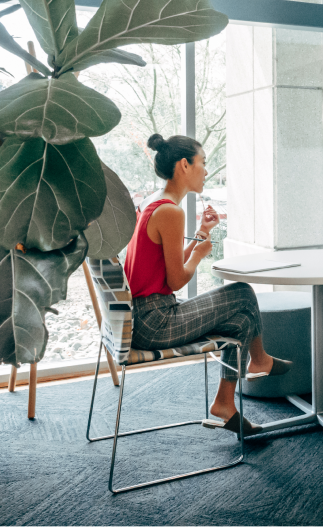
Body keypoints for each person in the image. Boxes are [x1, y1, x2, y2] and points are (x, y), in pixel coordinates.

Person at [124, 133, 292, 436]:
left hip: (146, 316)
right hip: (155, 321)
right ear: (184, 165)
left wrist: (200, 237)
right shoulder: (170, 212)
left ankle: (224, 403)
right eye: (202, 163)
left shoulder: (155, 204)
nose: (206, 171)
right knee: (242, 291)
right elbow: (176, 280)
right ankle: (260, 359)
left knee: (241, 320)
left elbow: (163, 270)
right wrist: (200, 255)